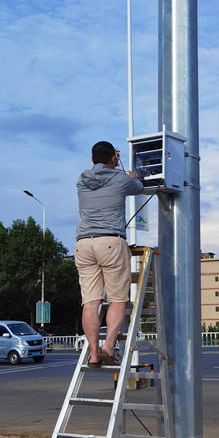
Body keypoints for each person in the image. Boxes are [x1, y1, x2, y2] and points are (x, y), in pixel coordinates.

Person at [75, 140, 143, 367]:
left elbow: (103, 172)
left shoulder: (81, 180)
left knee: (90, 303)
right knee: (117, 299)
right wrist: (124, 170)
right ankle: (108, 348)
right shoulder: (121, 179)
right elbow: (139, 186)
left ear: (92, 159)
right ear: (113, 158)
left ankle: (93, 354)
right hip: (111, 243)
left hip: (84, 243)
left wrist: (112, 162)